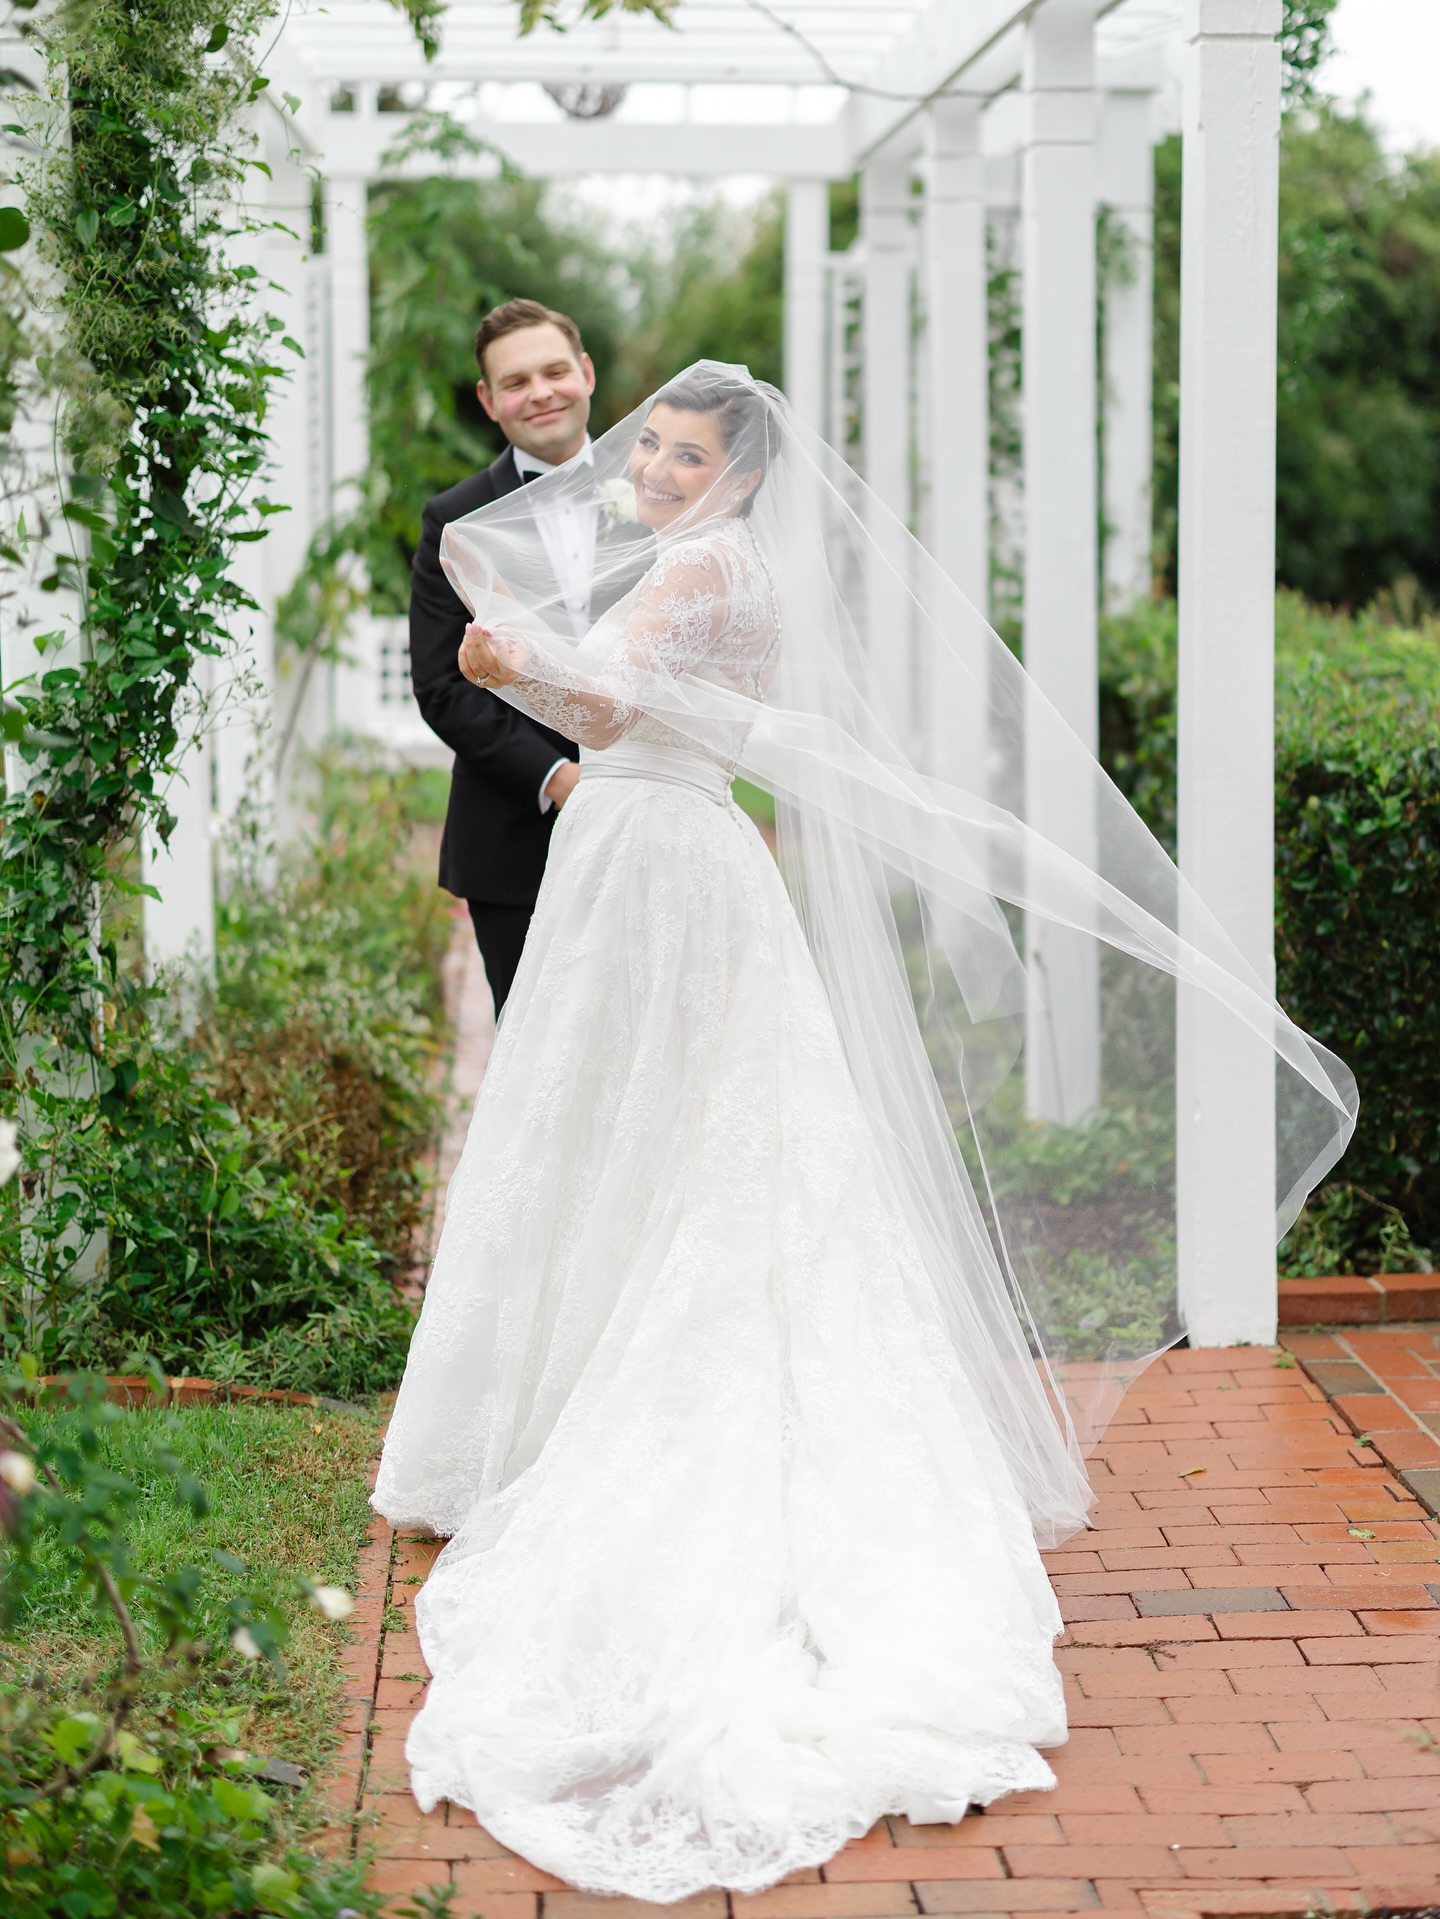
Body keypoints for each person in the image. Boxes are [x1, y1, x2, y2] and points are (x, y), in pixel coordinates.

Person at [373, 365, 1355, 1900]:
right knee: (649, 1132)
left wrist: (508, 656)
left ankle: (580, 1408)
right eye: (656, 452)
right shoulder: (714, 556)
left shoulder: (705, 566)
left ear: (740, 476)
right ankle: (551, 1387)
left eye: (686, 458)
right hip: (649, 854)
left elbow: (616, 705)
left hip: (662, 858)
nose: (654, 475)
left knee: (672, 1138)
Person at [407, 297, 649, 1014]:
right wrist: (558, 777)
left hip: (651, 822)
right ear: (488, 400)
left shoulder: (659, 492)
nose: (539, 392)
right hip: (515, 842)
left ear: (587, 372)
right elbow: (442, 684)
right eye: (515, 382)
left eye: (554, 371)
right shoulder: (454, 518)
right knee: (533, 1062)